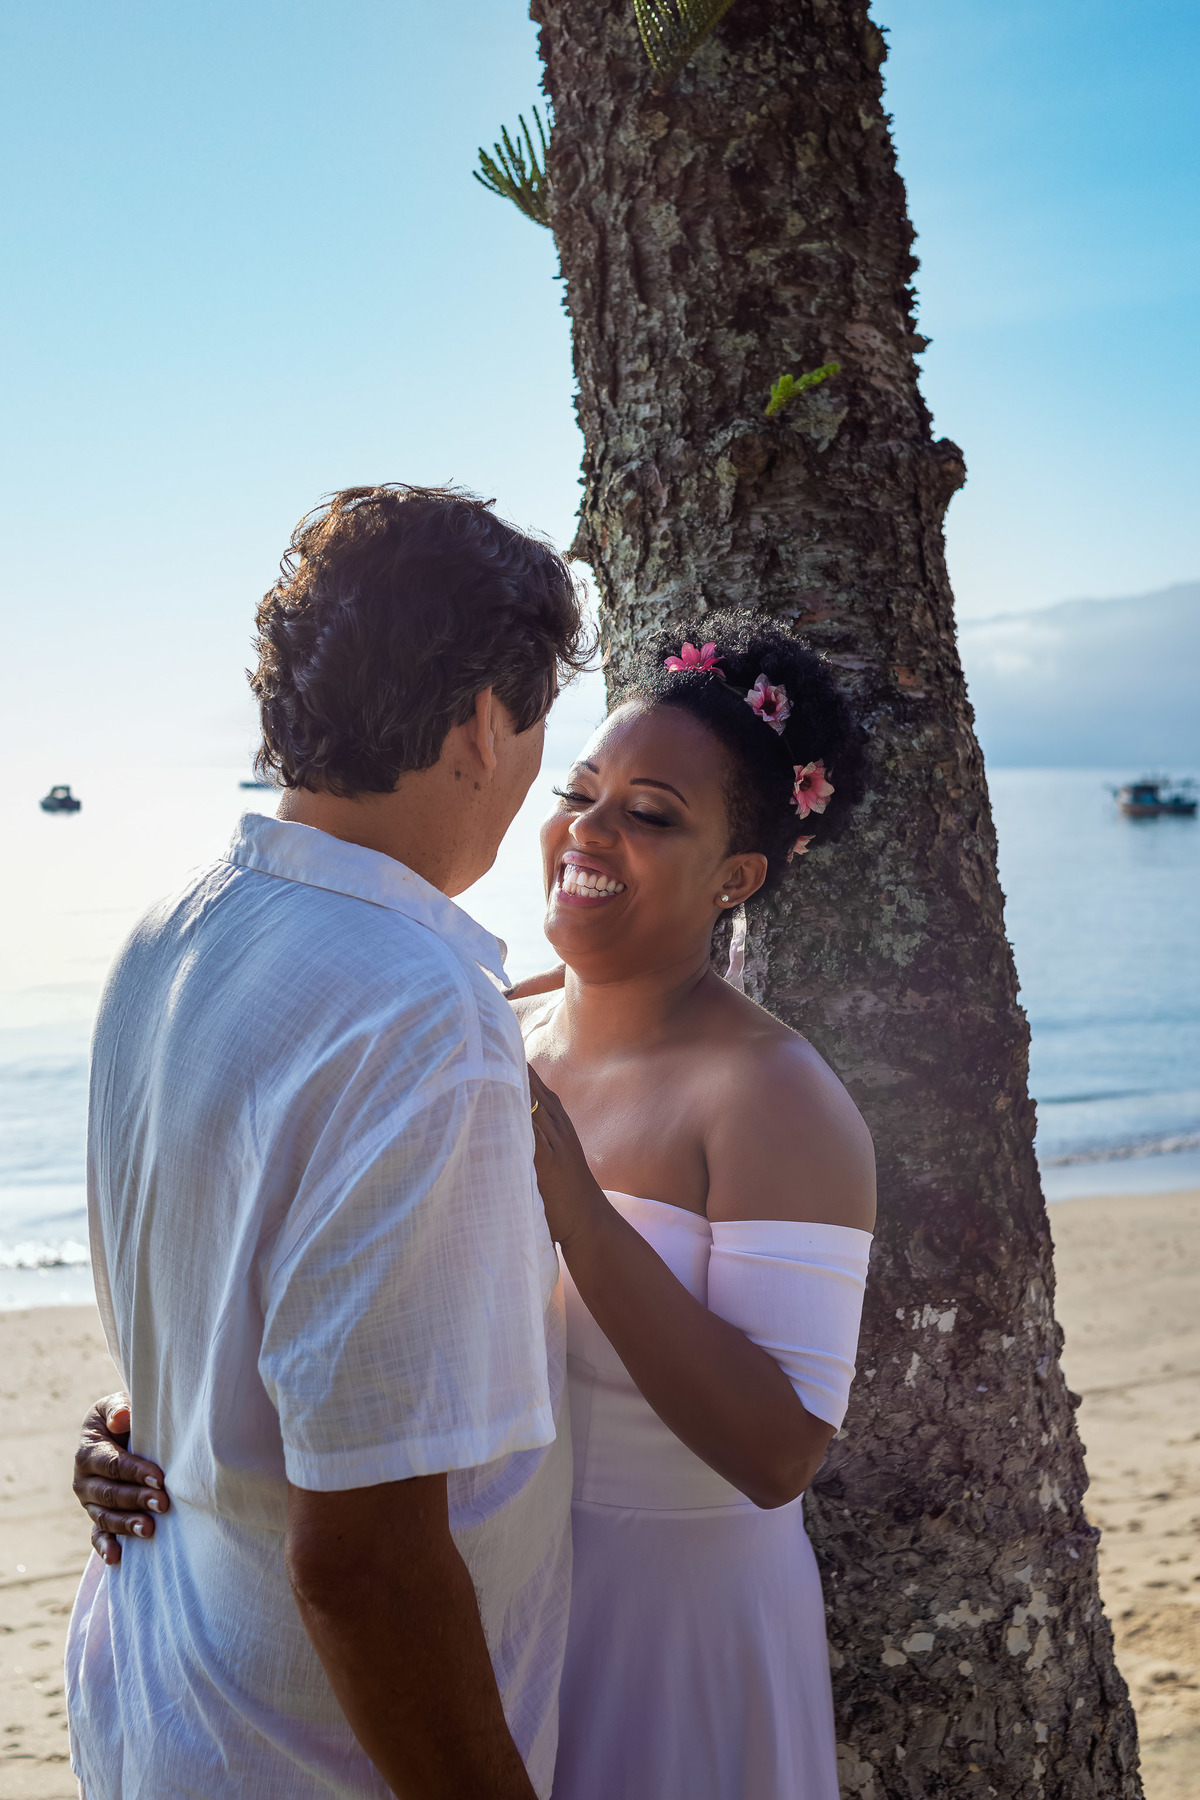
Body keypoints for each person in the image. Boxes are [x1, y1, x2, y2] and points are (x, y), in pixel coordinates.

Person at [75, 612, 876, 1799]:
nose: (588, 830)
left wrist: (582, 1214)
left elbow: (779, 1452)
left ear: (738, 875)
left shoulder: (775, 1095)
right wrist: (159, 1418)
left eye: (651, 815)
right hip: (486, 1620)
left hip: (671, 1628)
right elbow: (357, 1307)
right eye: (581, 792)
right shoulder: (486, 1023)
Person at [66, 484, 591, 1800]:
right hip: (307, 1755)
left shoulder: (172, 928)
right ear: (485, 723)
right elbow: (364, 1561)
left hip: (164, 1689)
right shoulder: (419, 1012)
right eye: (538, 726)